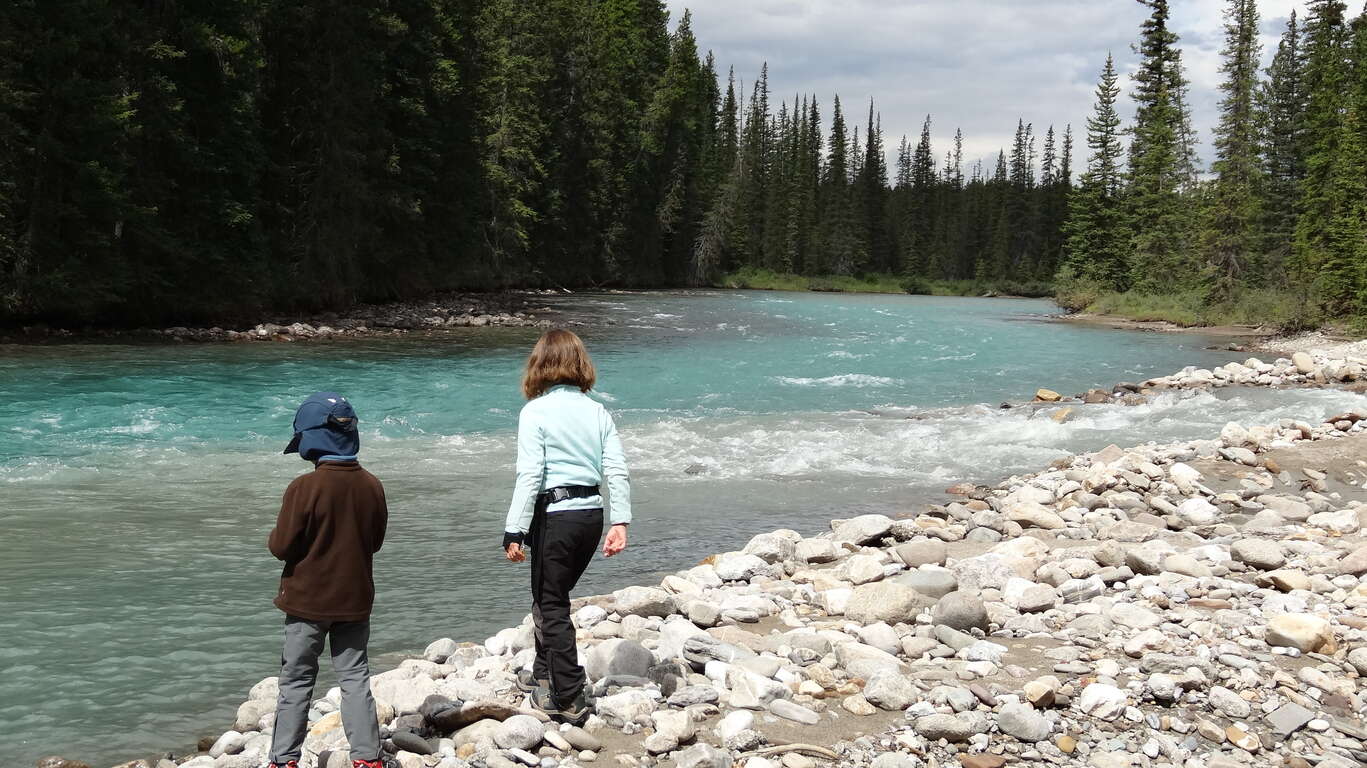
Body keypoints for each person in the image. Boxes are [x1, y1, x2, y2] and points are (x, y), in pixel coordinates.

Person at [503, 329, 631, 725]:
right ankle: (543, 675)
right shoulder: (598, 411)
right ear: (579, 364)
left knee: (551, 603)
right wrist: (620, 521)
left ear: (540, 364)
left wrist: (514, 529)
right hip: (591, 516)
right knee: (550, 597)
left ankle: (569, 694)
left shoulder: (535, 411)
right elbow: (616, 469)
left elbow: (530, 474)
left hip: (555, 516)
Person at [266, 392, 389, 768]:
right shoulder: (372, 485)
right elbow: (376, 543)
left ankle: (284, 758)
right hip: (354, 601)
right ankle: (367, 758)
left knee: (297, 680)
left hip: (306, 602)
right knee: (355, 677)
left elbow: (281, 546)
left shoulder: (303, 488)